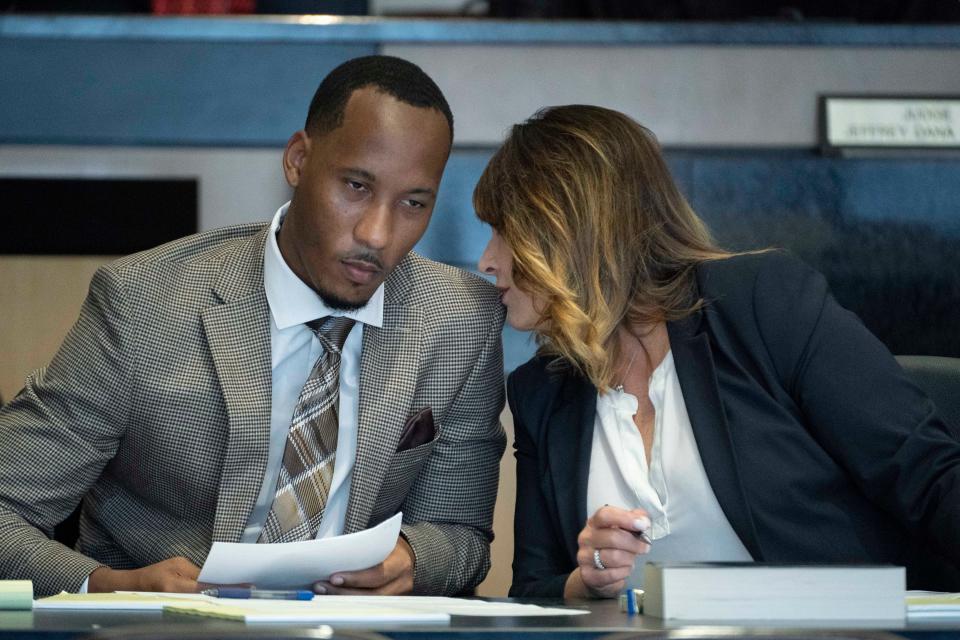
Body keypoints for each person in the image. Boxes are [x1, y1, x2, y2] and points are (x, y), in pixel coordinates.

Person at [0, 55, 506, 598]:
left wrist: (413, 559)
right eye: (356, 186)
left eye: (412, 202)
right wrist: (106, 584)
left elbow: (461, 535)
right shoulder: (144, 303)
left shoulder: (461, 322)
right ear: (297, 160)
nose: (378, 235)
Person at [474, 104, 960, 599]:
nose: (486, 260)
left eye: (502, 232)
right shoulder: (541, 390)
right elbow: (533, 593)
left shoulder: (762, 301)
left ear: (564, 230)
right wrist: (587, 579)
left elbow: (927, 475)